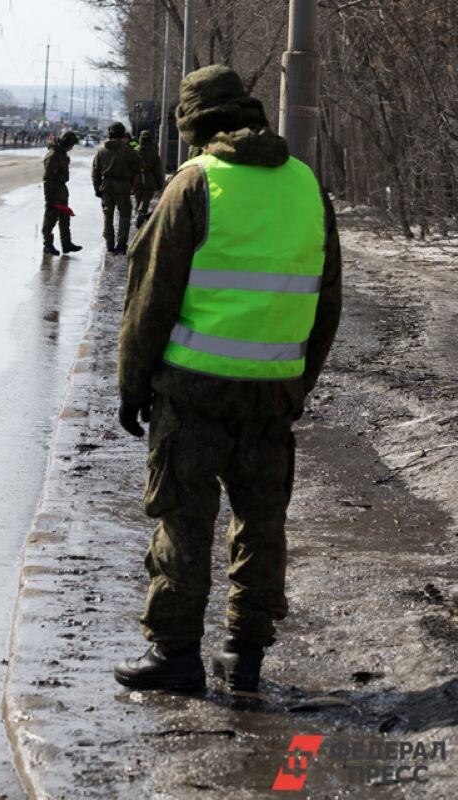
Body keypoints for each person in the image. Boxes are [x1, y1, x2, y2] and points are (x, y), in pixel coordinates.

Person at [112, 65, 342, 693]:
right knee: (262, 525)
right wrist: (296, 383)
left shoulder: (196, 185)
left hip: (192, 392)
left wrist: (133, 385)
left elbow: (151, 298)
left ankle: (177, 655)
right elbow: (327, 304)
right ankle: (245, 657)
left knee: (184, 523)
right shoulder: (306, 187)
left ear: (197, 126)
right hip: (272, 396)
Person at [92, 121, 144, 254]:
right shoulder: (128, 150)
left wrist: (97, 188)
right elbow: (140, 165)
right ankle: (121, 244)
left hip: (106, 187)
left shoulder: (102, 151)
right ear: (122, 134)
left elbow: (95, 171)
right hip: (123, 187)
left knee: (107, 216)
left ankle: (109, 243)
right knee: (125, 216)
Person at [42, 131, 83, 256]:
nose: (72, 147)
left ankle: (66, 244)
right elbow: (47, 178)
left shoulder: (62, 154)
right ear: (66, 143)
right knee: (50, 219)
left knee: (64, 218)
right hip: (54, 189)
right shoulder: (53, 155)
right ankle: (48, 245)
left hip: (62, 189)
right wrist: (49, 197)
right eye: (71, 145)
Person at [134, 129, 165, 226]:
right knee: (146, 199)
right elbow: (158, 170)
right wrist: (160, 183)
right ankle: (141, 214)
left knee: (138, 198)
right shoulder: (154, 152)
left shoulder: (136, 151)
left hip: (137, 178)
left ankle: (138, 214)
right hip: (149, 179)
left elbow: (130, 166)